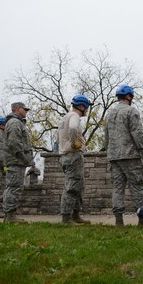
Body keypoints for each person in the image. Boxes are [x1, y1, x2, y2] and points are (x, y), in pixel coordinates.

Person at [104, 84, 143, 227]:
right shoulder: (131, 111)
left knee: (117, 188)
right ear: (129, 97)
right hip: (130, 156)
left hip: (114, 157)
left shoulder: (109, 114)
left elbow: (106, 137)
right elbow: (137, 134)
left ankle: (119, 221)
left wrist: (109, 152)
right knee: (138, 188)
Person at [58, 94, 93, 224]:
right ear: (82, 106)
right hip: (73, 155)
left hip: (66, 156)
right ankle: (66, 219)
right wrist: (74, 142)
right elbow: (73, 128)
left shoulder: (64, 117)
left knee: (78, 186)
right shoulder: (74, 116)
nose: (87, 110)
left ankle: (75, 215)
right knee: (72, 187)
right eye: (87, 107)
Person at [3, 102, 34, 224]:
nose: (26, 111)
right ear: (16, 109)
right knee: (14, 187)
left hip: (17, 161)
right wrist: (24, 158)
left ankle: (9, 215)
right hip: (16, 161)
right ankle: (10, 216)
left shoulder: (17, 122)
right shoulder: (15, 123)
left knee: (13, 187)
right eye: (24, 109)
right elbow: (14, 142)